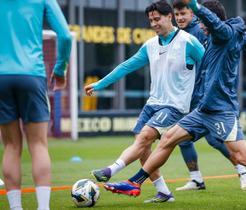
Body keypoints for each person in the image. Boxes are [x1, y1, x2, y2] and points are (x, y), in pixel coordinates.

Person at [103, 0, 246, 209]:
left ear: (211, 20)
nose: (200, 25)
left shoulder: (223, 33)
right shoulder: (225, 36)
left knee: (243, 156)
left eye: (202, 21)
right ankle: (134, 183)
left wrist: (193, 4)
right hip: (203, 109)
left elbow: (216, 23)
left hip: (222, 110)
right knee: (168, 138)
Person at [84, 0, 205, 203]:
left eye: (157, 19)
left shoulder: (188, 41)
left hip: (175, 106)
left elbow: (212, 62)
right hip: (153, 103)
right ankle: (164, 192)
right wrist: (100, 84)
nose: (154, 23)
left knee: (145, 137)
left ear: (170, 17)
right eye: (151, 20)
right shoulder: (150, 45)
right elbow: (126, 66)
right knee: (143, 146)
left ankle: (110, 170)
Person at [173, 0, 246, 191]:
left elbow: (214, 63)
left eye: (184, 13)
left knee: (215, 139)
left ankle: (242, 169)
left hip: (206, 97)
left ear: (193, 14)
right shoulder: (178, 35)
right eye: (177, 14)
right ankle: (196, 179)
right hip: (188, 96)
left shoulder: (201, 31)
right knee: (180, 139)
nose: (180, 18)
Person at [0, 1, 72, 210]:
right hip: (31, 74)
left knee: (11, 145)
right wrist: (60, 69)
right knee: (38, 144)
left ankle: (16, 208)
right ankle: (43, 208)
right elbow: (66, 36)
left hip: (1, 76)